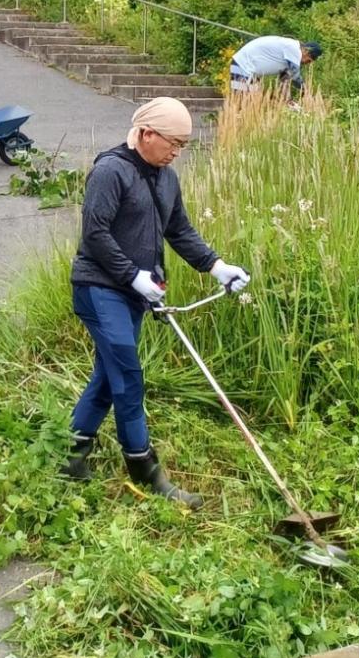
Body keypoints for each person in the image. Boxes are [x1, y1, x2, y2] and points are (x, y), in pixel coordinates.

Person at [62, 97, 250, 509]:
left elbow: (179, 230)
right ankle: (144, 467)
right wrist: (132, 274)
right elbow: (95, 233)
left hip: (134, 294)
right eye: (173, 143)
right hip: (99, 288)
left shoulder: (166, 178)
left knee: (112, 374)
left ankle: (71, 455)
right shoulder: (111, 171)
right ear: (146, 133)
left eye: (183, 145)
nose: (177, 152)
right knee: (128, 376)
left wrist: (216, 266)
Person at [229, 36, 322, 102]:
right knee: (240, 101)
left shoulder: (289, 57)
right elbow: (295, 77)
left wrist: (287, 99)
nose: (306, 63)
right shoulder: (294, 49)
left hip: (252, 72)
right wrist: (307, 93)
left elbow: (284, 79)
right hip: (243, 64)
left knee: (254, 103)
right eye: (309, 60)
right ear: (305, 50)